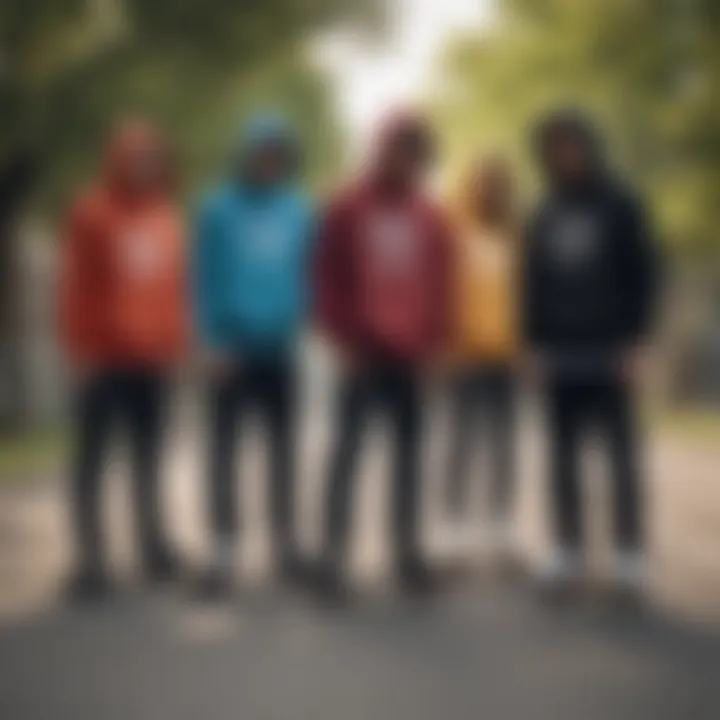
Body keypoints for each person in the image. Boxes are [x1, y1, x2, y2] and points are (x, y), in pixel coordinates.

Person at [313, 111, 452, 601]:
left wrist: (436, 346)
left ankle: (407, 556)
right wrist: (338, 339)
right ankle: (332, 559)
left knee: (409, 461)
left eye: (416, 150)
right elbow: (326, 276)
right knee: (347, 457)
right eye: (399, 147)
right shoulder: (347, 206)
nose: (407, 158)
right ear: (381, 148)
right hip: (361, 352)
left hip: (411, 355)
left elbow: (440, 285)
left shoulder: (431, 215)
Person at [524, 109, 659, 599]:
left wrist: (638, 341)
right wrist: (533, 346)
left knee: (620, 456)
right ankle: (567, 550)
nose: (565, 154)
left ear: (589, 146)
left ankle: (629, 555)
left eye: (572, 144)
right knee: (562, 456)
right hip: (559, 350)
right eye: (555, 147)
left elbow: (644, 273)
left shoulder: (621, 204)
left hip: (611, 348)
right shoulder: (544, 211)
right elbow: (531, 284)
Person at [58, 119, 189, 601]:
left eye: (153, 158)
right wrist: (79, 349)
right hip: (104, 358)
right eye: (136, 157)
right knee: (92, 461)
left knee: (149, 459)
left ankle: (153, 548)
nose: (145, 166)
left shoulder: (167, 217)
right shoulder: (91, 213)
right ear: (117, 160)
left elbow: (174, 289)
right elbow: (75, 286)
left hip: (152, 360)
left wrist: (177, 343)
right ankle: (91, 560)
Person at [193, 113, 315, 598]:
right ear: (244, 154)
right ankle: (223, 547)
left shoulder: (299, 210)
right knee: (223, 452)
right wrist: (209, 340)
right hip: (230, 351)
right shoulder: (217, 210)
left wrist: (307, 321)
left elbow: (310, 272)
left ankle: (284, 545)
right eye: (260, 152)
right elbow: (202, 279)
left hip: (281, 349)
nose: (268, 161)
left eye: (276, 153)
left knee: (282, 452)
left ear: (285, 159)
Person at [444, 154, 522, 565]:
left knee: (503, 445)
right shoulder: (455, 232)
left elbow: (527, 297)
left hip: (506, 358)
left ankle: (501, 529)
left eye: (497, 183)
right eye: (482, 182)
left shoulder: (516, 235)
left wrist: (524, 347)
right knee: (461, 444)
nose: (489, 190)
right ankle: (453, 529)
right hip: (463, 357)